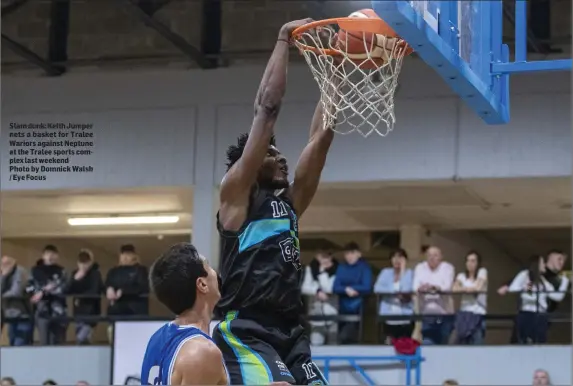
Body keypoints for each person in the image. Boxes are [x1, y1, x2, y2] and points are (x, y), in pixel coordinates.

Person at [213, 18, 337, 385]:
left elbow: (321, 137)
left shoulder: (290, 205)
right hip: (246, 328)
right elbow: (266, 112)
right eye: (272, 152)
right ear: (248, 164)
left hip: (291, 331)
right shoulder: (235, 198)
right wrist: (284, 37)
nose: (281, 157)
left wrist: (337, 70)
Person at [140, 242, 227, 385]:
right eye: (209, 266)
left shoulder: (157, 338)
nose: (216, 273)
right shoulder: (202, 352)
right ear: (202, 285)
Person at [27, 245, 68, 345]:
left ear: (57, 256)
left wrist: (42, 291)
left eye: (53, 254)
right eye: (48, 254)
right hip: (41, 310)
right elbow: (29, 288)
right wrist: (39, 292)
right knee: (44, 341)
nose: (50, 257)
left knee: (58, 341)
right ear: (43, 256)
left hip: (58, 310)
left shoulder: (62, 271)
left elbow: (61, 288)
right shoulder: (35, 271)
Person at [374, 248, 414, 343]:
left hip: (405, 316)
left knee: (404, 344)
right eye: (394, 257)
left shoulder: (410, 273)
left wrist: (403, 272)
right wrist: (395, 291)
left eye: (400, 257)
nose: (396, 260)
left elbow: (406, 290)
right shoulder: (385, 272)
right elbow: (377, 288)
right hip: (388, 315)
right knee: (388, 343)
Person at [452, 251, 487, 344]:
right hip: (464, 313)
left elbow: (477, 288)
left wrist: (463, 289)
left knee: (477, 343)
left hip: (478, 313)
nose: (470, 264)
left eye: (473, 261)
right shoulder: (461, 276)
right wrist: (468, 289)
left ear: (478, 263)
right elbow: (454, 289)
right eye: (468, 261)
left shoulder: (482, 272)